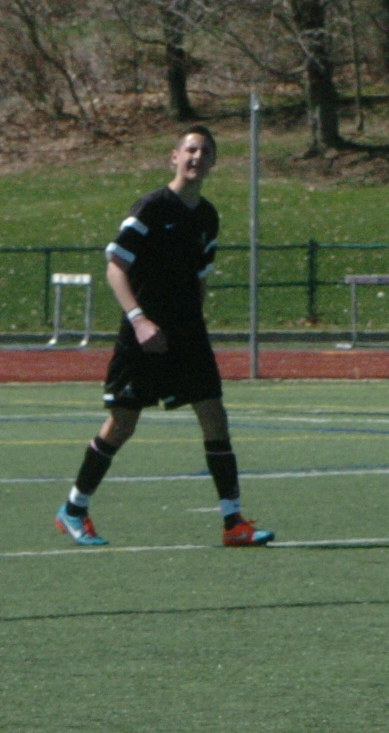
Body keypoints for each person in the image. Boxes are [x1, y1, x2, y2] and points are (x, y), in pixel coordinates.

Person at [55, 125, 276, 550]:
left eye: (205, 152)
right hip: (143, 333)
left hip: (187, 333)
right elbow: (115, 267)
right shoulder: (152, 207)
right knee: (122, 424)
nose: (197, 157)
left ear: (213, 162)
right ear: (174, 156)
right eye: (190, 149)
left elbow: (200, 278)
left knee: (214, 416)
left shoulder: (208, 216)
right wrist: (139, 320)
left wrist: (192, 322)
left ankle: (233, 523)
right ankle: (74, 509)